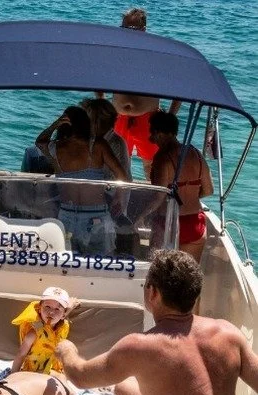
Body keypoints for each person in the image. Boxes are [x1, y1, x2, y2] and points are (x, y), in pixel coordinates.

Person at [56, 250, 258, 395]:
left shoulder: (140, 347)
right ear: (195, 296)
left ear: (152, 292)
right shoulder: (228, 334)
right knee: (124, 388)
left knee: (123, 386)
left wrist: (66, 349)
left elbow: (80, 376)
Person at [97, 8, 181, 180]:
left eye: (131, 29)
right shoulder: (115, 54)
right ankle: (117, 203)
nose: (127, 33)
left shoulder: (156, 54)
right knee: (116, 164)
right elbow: (99, 78)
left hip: (148, 118)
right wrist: (102, 105)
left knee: (152, 165)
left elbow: (179, 84)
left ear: (143, 30)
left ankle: (154, 202)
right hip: (118, 116)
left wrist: (170, 117)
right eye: (124, 28)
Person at [36, 106, 128, 254]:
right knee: (101, 267)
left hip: (66, 215)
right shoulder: (97, 145)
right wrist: (118, 197)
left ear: (64, 125)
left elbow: (40, 142)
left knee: (66, 266)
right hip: (97, 216)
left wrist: (54, 124)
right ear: (86, 124)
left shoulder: (56, 147)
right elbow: (121, 175)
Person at [148, 112, 213, 263]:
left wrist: (139, 216)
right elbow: (209, 190)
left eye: (152, 132)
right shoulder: (196, 154)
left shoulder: (162, 157)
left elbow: (158, 197)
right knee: (188, 277)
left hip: (168, 222)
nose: (152, 138)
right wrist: (188, 196)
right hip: (195, 222)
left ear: (158, 132)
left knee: (161, 276)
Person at [11, 287, 77, 376]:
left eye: (57, 309)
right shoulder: (34, 332)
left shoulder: (63, 325)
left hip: (55, 372)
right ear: (39, 308)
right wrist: (13, 376)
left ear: (63, 315)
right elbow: (21, 354)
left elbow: (63, 315)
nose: (51, 312)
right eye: (47, 307)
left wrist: (70, 307)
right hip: (34, 374)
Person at [80, 98, 132, 182]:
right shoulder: (93, 139)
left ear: (97, 122)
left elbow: (118, 180)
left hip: (107, 191)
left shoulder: (114, 143)